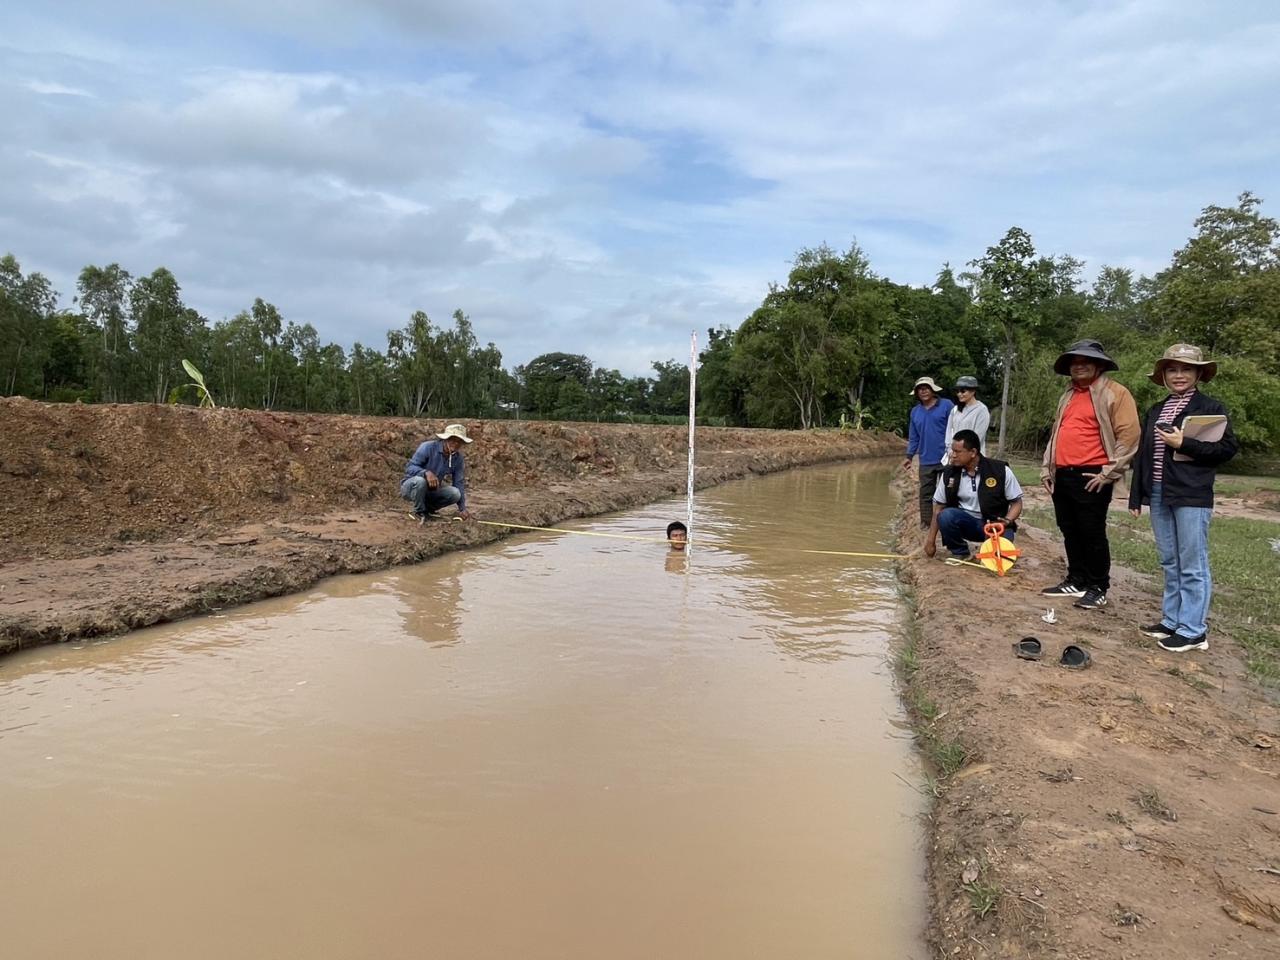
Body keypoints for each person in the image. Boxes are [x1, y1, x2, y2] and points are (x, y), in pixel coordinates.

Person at [1128, 344, 1237, 652]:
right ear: (1163, 375)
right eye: (1172, 370)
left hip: (1191, 493)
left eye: (1186, 369)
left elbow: (1226, 450)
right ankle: (1172, 620)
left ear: (1198, 373)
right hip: (1160, 492)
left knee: (1192, 562)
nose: (1178, 375)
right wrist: (1137, 495)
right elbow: (1144, 456)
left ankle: (1193, 629)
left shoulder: (1210, 408)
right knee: (1169, 559)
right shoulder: (1156, 409)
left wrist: (1184, 443)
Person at [1039, 339, 1140, 610]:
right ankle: (1077, 578)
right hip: (1064, 473)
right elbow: (1057, 433)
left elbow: (1129, 436)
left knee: (1092, 531)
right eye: (1075, 361)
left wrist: (1109, 472)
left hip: (1093, 474)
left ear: (1098, 365)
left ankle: (1098, 586)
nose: (1079, 365)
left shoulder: (1115, 393)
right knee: (1069, 528)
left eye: (1086, 361)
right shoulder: (1068, 395)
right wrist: (1047, 468)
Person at [924, 429, 1023, 560]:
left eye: (957, 452)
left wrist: (1007, 521)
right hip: (966, 523)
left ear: (973, 452)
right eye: (952, 451)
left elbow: (1017, 503)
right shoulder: (949, 473)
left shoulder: (1000, 470)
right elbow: (938, 508)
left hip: (995, 526)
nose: (952, 455)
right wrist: (930, 541)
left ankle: (993, 547)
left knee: (1000, 559)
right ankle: (960, 551)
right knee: (945, 516)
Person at [901, 376, 954, 528]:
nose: (923, 391)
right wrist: (909, 456)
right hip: (926, 459)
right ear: (917, 393)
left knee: (948, 492)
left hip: (947, 457)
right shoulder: (915, 412)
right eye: (920, 389)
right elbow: (914, 436)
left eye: (926, 388)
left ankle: (948, 522)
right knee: (926, 494)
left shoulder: (947, 405)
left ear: (932, 390)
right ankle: (926, 522)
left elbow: (955, 428)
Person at [400, 423, 474, 522]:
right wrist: (425, 473)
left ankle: (428, 510)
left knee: (455, 493)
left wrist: (462, 508)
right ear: (445, 439)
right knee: (420, 481)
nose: (456, 444)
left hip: (431, 490)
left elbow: (458, 482)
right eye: (453, 440)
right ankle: (418, 512)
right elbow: (410, 468)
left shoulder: (458, 458)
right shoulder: (427, 447)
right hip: (411, 487)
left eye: (459, 441)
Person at [942, 376, 990, 463]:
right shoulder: (955, 410)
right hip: (955, 456)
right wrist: (950, 450)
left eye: (963, 391)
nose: (959, 394)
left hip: (972, 457)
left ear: (973, 391)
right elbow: (949, 431)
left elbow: (977, 437)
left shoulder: (982, 410)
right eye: (957, 391)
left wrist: (964, 453)